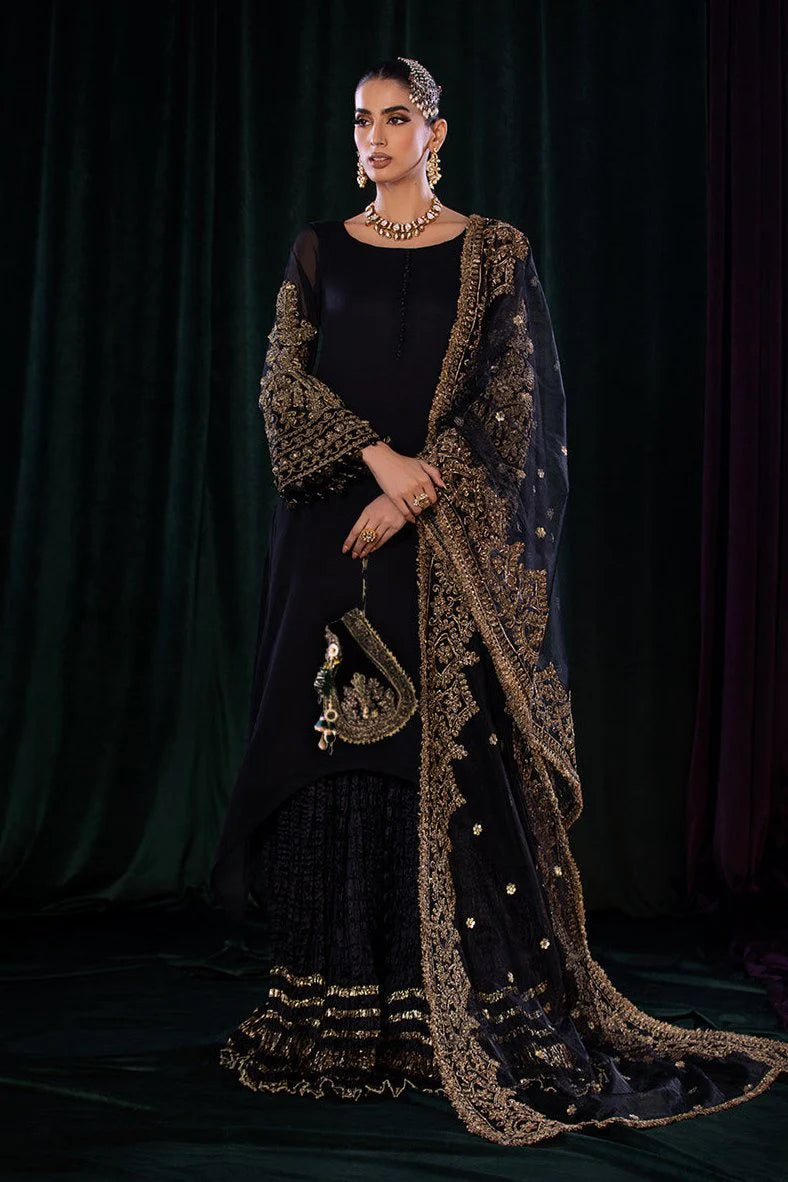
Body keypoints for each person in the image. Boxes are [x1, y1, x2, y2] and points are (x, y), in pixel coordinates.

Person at [209, 56, 788, 1144]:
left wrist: (415, 493)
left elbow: (514, 410)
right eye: (361, 120)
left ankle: (450, 1017)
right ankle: (347, 1018)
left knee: (438, 754)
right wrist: (376, 464)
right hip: (330, 535)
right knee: (338, 745)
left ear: (436, 130)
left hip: (446, 549)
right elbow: (284, 383)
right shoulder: (318, 248)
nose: (374, 138)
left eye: (396, 119)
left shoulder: (493, 252)